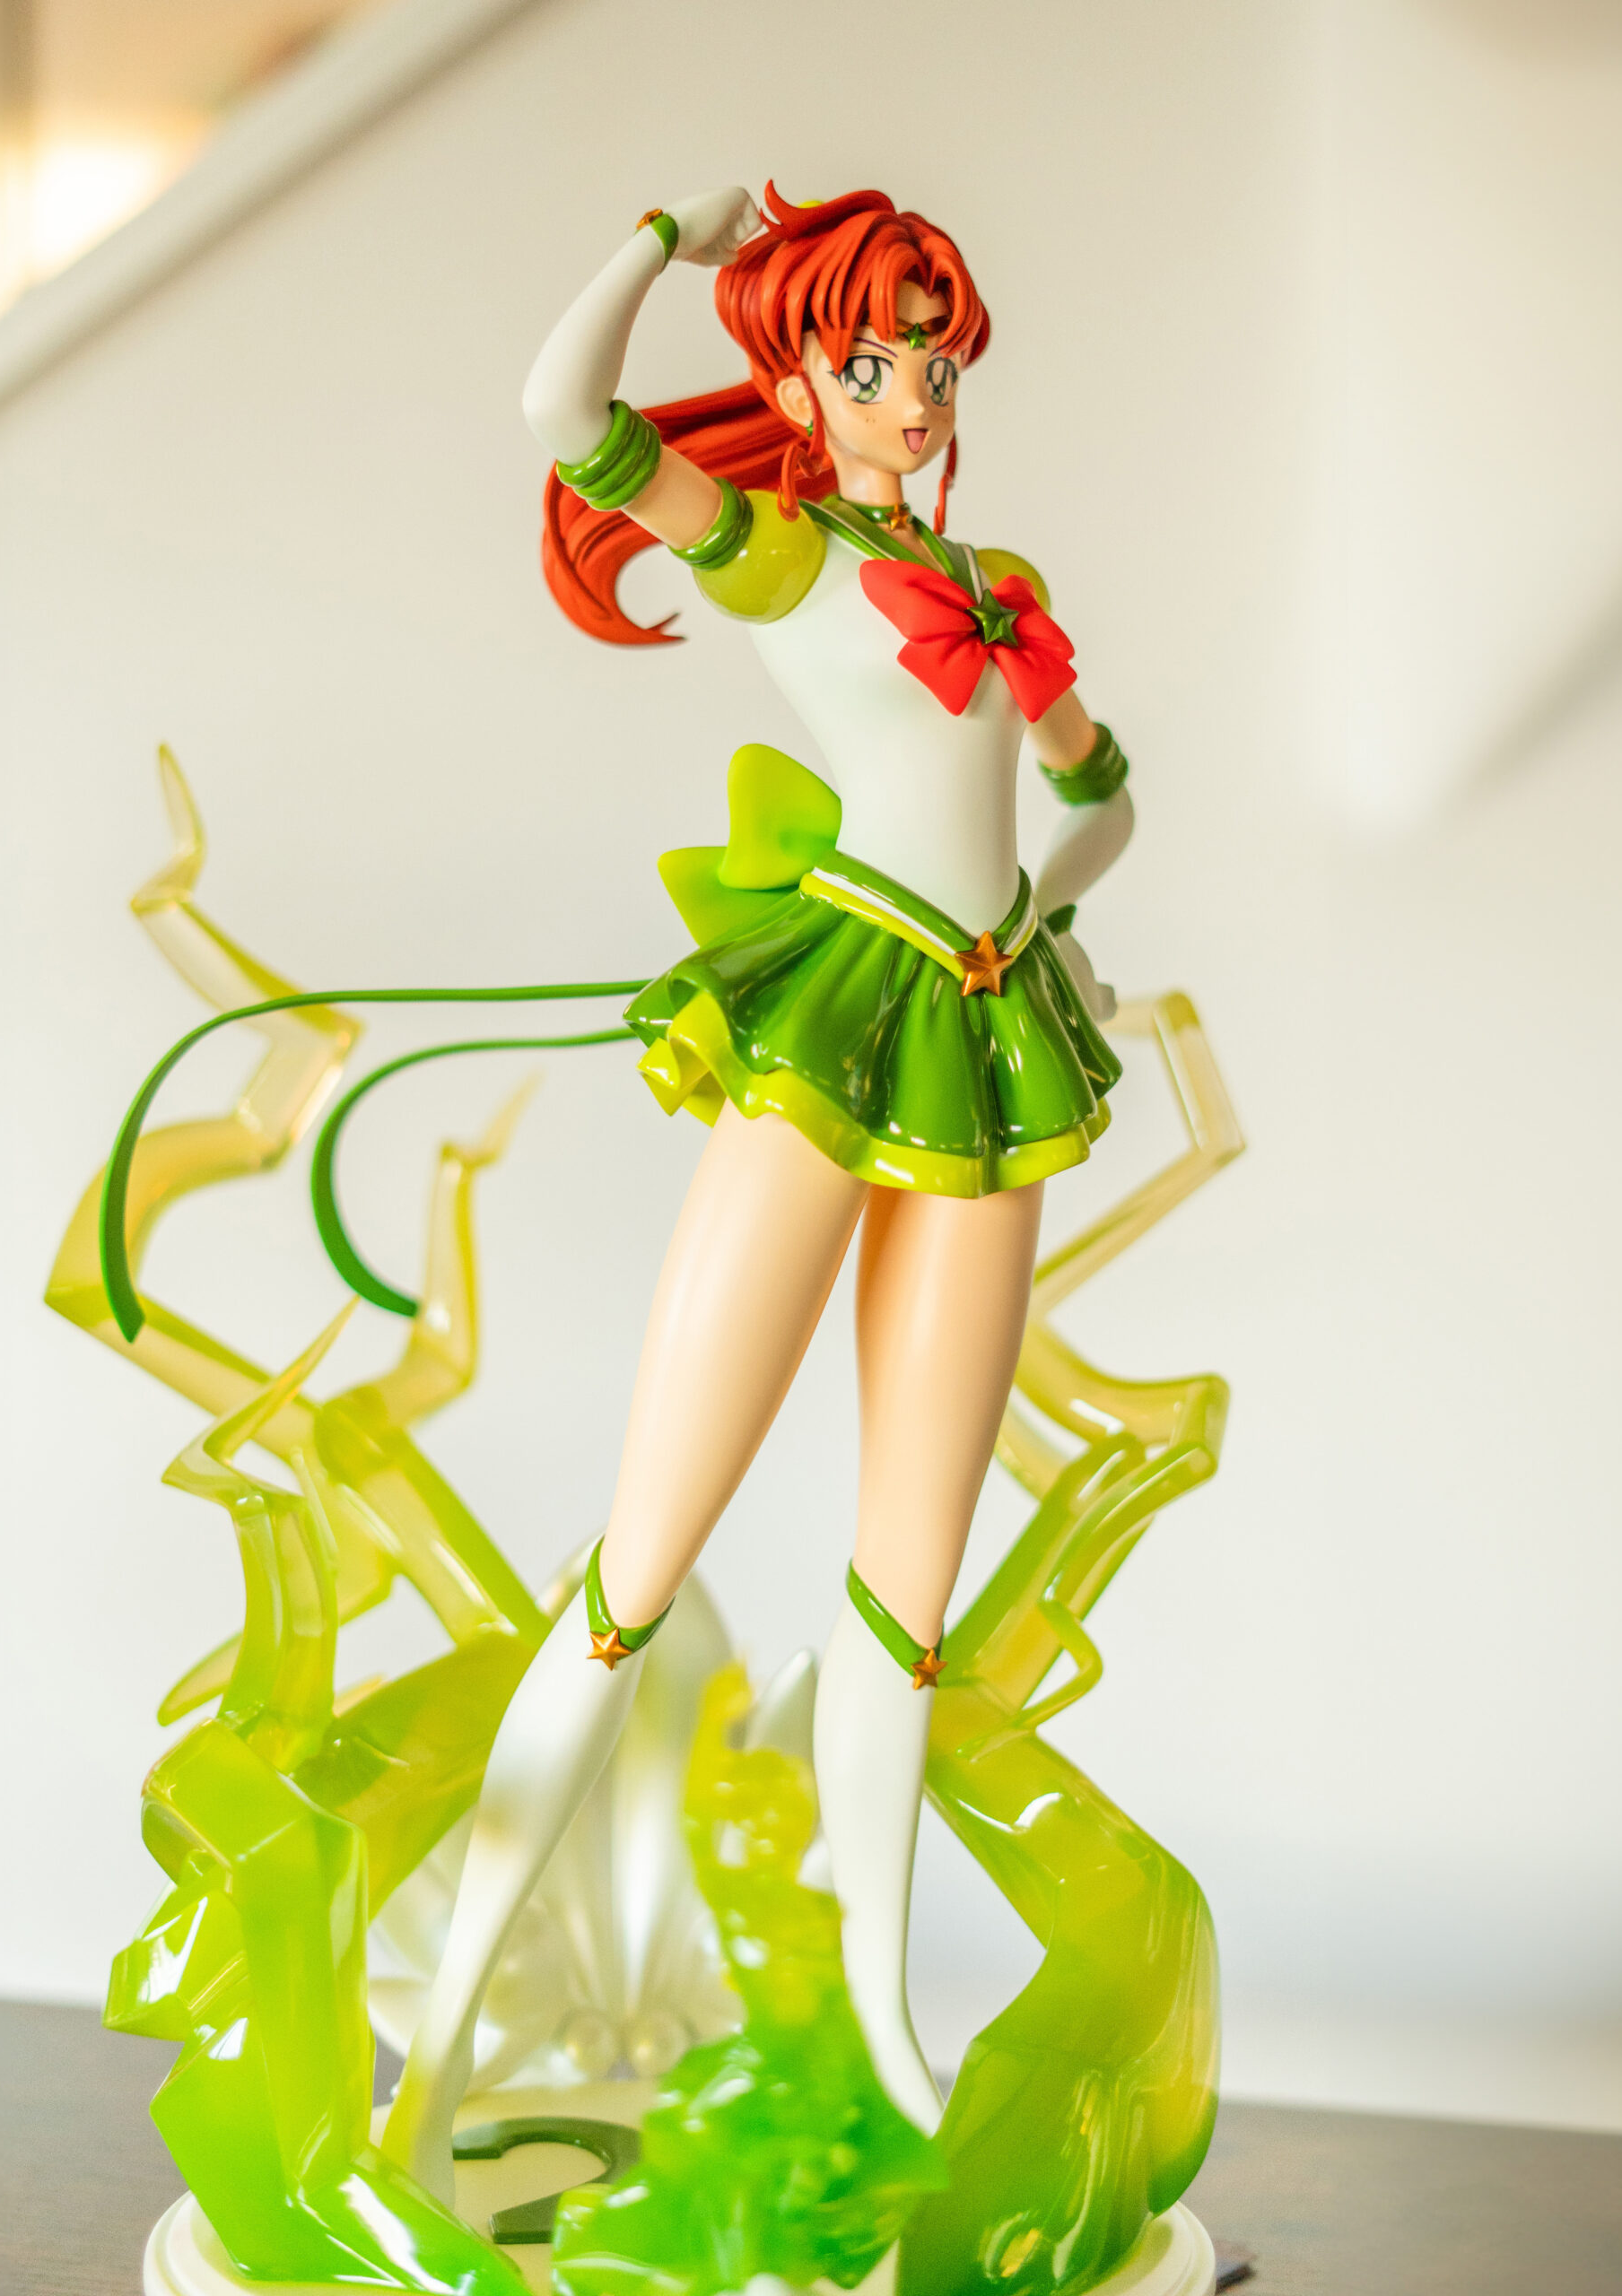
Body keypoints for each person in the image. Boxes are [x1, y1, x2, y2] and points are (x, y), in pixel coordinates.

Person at [380, 183, 1135, 2205]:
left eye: (932, 358)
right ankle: (429, 2062)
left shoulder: (998, 585)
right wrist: (663, 235)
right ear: (799, 382)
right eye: (869, 360)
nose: (912, 394)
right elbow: (565, 416)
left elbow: (1100, 788)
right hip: (832, 1032)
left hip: (987, 1038)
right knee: (640, 1563)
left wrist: (1047, 928)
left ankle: (888, 2041)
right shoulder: (783, 553)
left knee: (907, 1594)